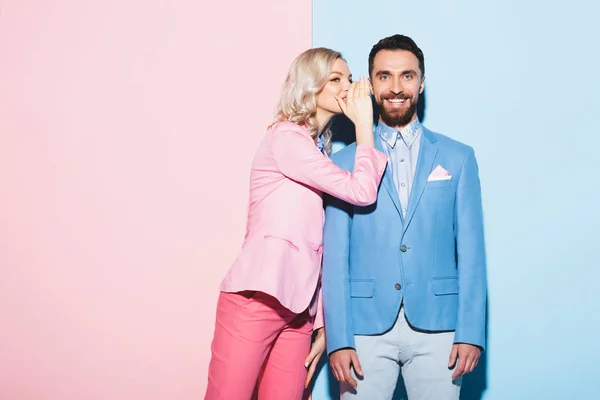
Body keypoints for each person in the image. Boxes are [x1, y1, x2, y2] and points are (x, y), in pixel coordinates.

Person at [204, 47, 388, 400]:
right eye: (335, 79)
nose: (347, 87)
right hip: (257, 298)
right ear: (310, 85)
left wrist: (321, 320)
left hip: (298, 312)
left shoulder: (319, 152)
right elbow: (362, 191)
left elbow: (318, 244)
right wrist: (364, 125)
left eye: (348, 78)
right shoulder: (287, 138)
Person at [322, 34, 487, 400]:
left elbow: (472, 253)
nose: (396, 88)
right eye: (384, 76)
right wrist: (338, 340)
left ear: (421, 82)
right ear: (368, 83)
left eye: (407, 76)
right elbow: (334, 258)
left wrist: (471, 332)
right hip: (362, 331)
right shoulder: (342, 163)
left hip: (440, 328)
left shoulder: (458, 157)